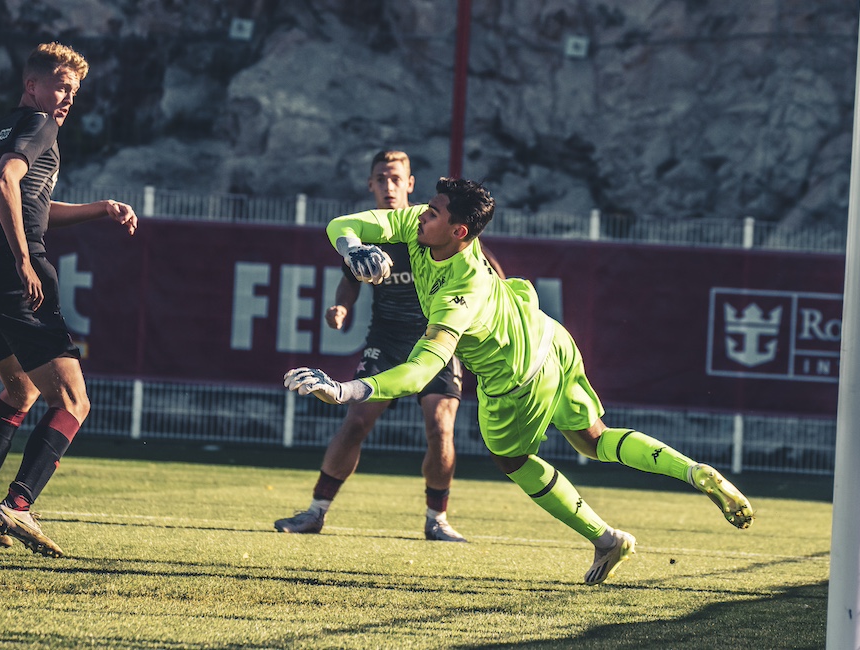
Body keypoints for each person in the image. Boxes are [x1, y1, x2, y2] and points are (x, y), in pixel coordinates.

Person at [285, 177, 754, 585]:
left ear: (458, 231)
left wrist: (345, 390)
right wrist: (353, 247)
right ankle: (693, 471)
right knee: (594, 440)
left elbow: (422, 370)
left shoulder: (460, 291)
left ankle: (606, 539)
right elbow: (340, 224)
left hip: (518, 380)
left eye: (434, 212)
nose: (421, 214)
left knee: (511, 458)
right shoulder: (420, 226)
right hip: (551, 339)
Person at [0, 42, 138, 558]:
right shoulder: (39, 124)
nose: (69, 97)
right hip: (9, 274)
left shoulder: (0, 129)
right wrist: (24, 259)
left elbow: (29, 201)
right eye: (61, 86)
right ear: (32, 86)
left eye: (75, 89)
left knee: (20, 391)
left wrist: (100, 208)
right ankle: (19, 505)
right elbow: (6, 182)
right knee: (72, 400)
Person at [275, 150, 500, 542]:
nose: (388, 186)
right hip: (387, 337)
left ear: (410, 184)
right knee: (356, 422)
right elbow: (349, 277)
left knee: (440, 427)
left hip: (437, 338)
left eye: (396, 178)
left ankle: (437, 519)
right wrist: (342, 306)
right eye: (381, 178)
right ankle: (315, 512)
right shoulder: (373, 233)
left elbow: (487, 272)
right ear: (370, 185)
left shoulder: (434, 228)